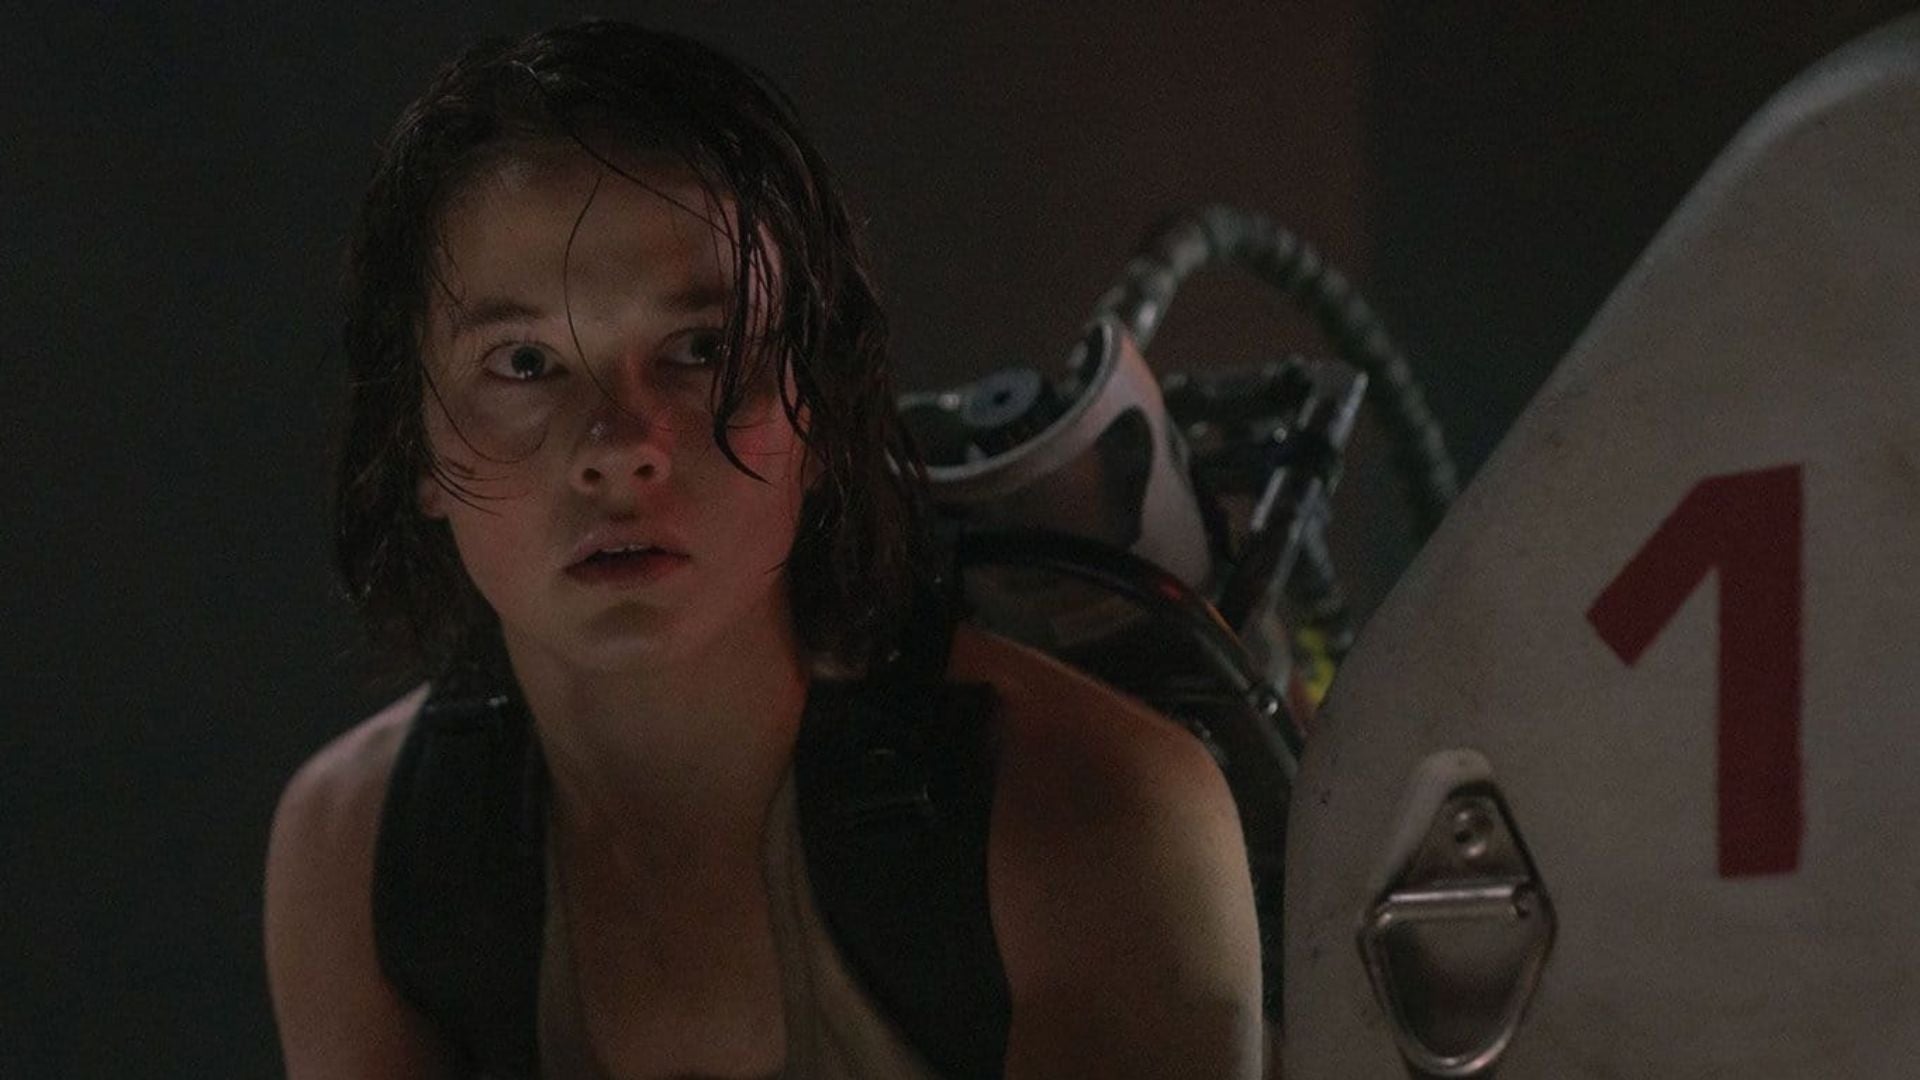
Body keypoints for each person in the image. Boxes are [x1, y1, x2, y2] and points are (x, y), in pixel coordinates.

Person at [264, 19, 1263, 1080]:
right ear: (414, 440)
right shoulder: (363, 850)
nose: (618, 447)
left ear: (822, 410)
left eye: (702, 350)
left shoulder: (1086, 819)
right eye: (523, 364)